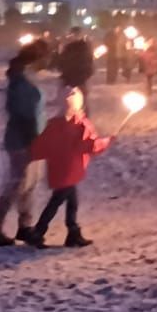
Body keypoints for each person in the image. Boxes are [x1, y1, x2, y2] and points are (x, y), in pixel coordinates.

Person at [24, 87, 110, 248]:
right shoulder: (78, 124)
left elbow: (42, 144)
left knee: (71, 201)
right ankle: (39, 232)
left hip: (59, 169)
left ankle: (73, 232)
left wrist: (31, 154)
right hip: (71, 169)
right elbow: (87, 145)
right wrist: (106, 142)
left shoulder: (54, 124)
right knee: (57, 202)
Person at [0, 41, 47, 245]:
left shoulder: (25, 78)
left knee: (30, 183)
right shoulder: (21, 82)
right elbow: (23, 114)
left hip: (31, 137)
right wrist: (33, 140)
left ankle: (25, 225)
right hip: (23, 139)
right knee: (17, 183)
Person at [59, 27, 94, 98]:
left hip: (75, 77)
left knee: (72, 98)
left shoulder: (71, 47)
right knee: (79, 97)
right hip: (75, 77)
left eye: (72, 34)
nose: (70, 36)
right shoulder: (84, 46)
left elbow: (62, 60)